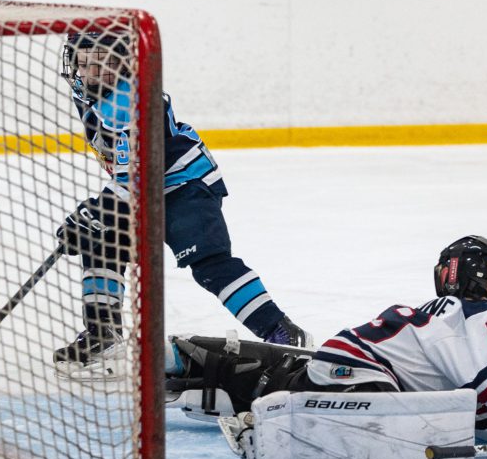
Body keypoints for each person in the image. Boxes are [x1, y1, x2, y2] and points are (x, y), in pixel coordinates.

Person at [167, 236, 487, 459]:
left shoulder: (436, 315)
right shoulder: (482, 316)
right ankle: (283, 423)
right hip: (362, 383)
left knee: (275, 375)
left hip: (333, 364)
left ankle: (196, 368)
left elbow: (475, 404)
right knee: (385, 416)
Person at [54, 32, 311, 378]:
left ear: (122, 64)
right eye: (83, 64)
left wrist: (96, 212)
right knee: (99, 242)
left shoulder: (129, 102)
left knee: (209, 264)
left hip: (184, 185)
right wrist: (95, 219)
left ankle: (281, 330)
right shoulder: (88, 94)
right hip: (142, 186)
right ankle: (104, 335)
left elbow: (138, 176)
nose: (90, 73)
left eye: (101, 64)